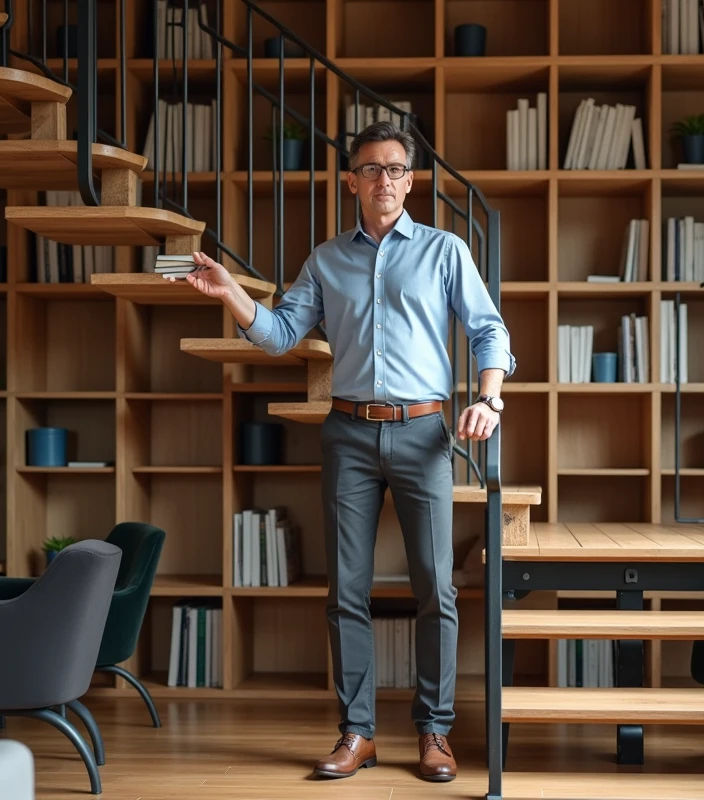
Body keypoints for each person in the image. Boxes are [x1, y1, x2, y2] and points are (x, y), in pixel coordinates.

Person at [173, 120, 514, 782]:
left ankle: (435, 732)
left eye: (394, 169)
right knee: (346, 591)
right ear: (350, 181)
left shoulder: (445, 251)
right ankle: (357, 733)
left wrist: (489, 399)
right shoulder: (327, 259)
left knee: (434, 588)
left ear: (410, 181)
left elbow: (488, 329)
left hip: (424, 432)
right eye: (370, 169)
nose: (382, 180)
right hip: (349, 433)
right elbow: (277, 335)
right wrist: (232, 294)